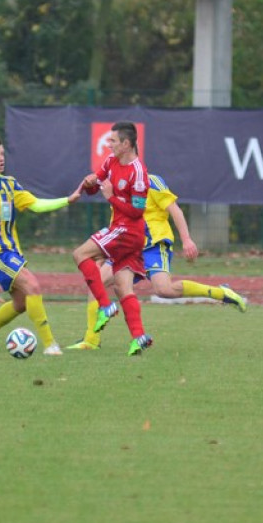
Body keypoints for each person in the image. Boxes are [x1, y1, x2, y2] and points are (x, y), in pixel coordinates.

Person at [68, 173, 248, 350]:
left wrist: (186, 239)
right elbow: (94, 183)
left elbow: (175, 210)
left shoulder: (151, 181)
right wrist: (87, 183)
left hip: (153, 245)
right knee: (97, 282)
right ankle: (91, 340)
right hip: (127, 245)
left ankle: (221, 293)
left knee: (164, 290)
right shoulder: (117, 180)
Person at [0, 133, 82, 356]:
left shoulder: (9, 184)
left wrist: (67, 200)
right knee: (33, 286)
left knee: (21, 303)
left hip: (12, 251)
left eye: (2, 154)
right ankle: (51, 345)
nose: (1, 158)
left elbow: (36, 205)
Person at [72, 121, 154, 356]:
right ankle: (138, 338)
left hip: (128, 232)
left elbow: (137, 212)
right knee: (122, 286)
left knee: (80, 254)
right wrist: (89, 185)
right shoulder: (111, 161)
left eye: (113, 141)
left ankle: (105, 307)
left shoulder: (139, 173)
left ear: (126, 144)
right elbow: (97, 182)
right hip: (124, 232)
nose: (109, 145)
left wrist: (111, 197)